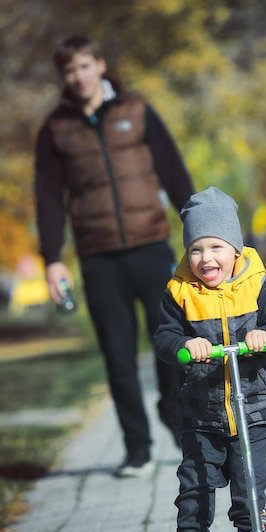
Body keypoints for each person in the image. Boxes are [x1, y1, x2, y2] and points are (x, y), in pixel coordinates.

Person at [34, 35, 195, 478]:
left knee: (172, 344)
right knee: (118, 358)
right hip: (98, 257)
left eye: (85, 66)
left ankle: (172, 411)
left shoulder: (136, 110)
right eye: (69, 71)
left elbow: (173, 170)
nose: (78, 76)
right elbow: (47, 195)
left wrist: (200, 231)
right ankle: (137, 450)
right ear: (63, 77)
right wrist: (52, 257)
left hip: (151, 248)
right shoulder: (55, 129)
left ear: (100, 65)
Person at [153, 186, 266, 532]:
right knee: (195, 481)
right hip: (201, 411)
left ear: (235, 248)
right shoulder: (179, 293)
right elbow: (163, 338)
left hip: (254, 407)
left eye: (215, 246)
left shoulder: (258, 285)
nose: (205, 258)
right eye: (195, 249)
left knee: (250, 479)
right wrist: (184, 345)